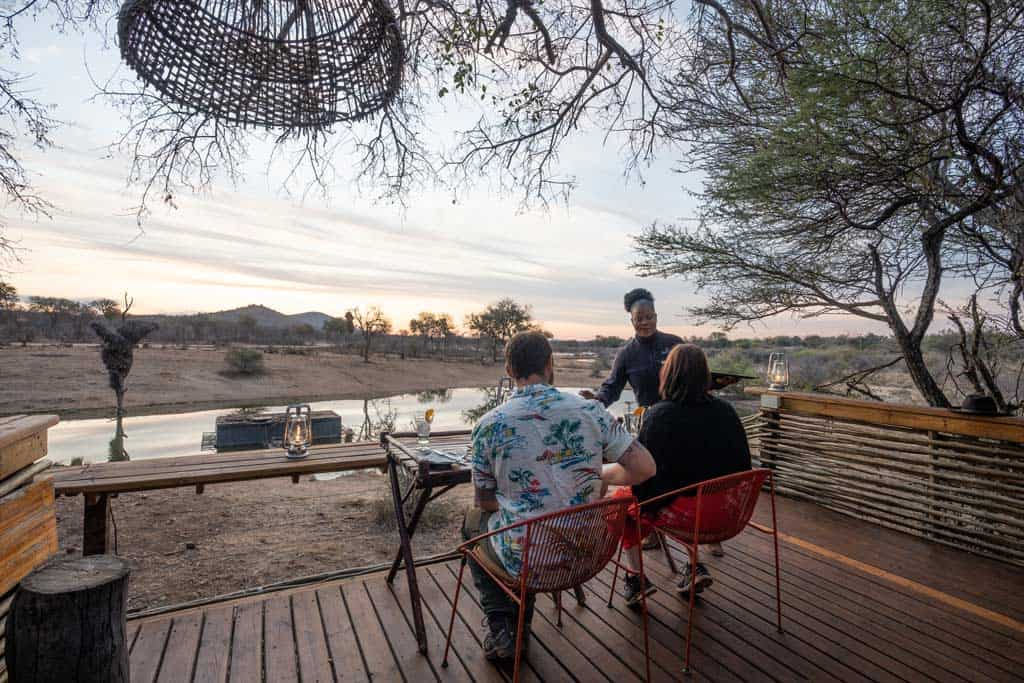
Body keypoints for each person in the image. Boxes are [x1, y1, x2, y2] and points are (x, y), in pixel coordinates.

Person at [465, 331, 656, 661]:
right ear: (551, 364)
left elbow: (484, 502)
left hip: (527, 561)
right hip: (587, 551)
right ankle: (513, 624)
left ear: (509, 369)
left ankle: (505, 626)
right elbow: (645, 469)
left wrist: (526, 504)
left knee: (473, 523)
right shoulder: (592, 411)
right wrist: (598, 475)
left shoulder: (488, 425)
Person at [613, 344, 752, 608]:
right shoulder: (726, 411)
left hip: (691, 516)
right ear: (704, 375)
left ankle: (635, 578)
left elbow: (642, 481)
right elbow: (742, 465)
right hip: (731, 514)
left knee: (621, 504)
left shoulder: (660, 416)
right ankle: (693, 566)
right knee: (688, 489)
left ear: (669, 375)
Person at [581, 288, 683, 409]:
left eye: (649, 317)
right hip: (649, 420)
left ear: (655, 317)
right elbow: (612, 387)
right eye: (639, 319)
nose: (645, 322)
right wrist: (597, 400)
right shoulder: (626, 354)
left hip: (681, 416)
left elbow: (695, 376)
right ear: (632, 321)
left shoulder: (675, 344)